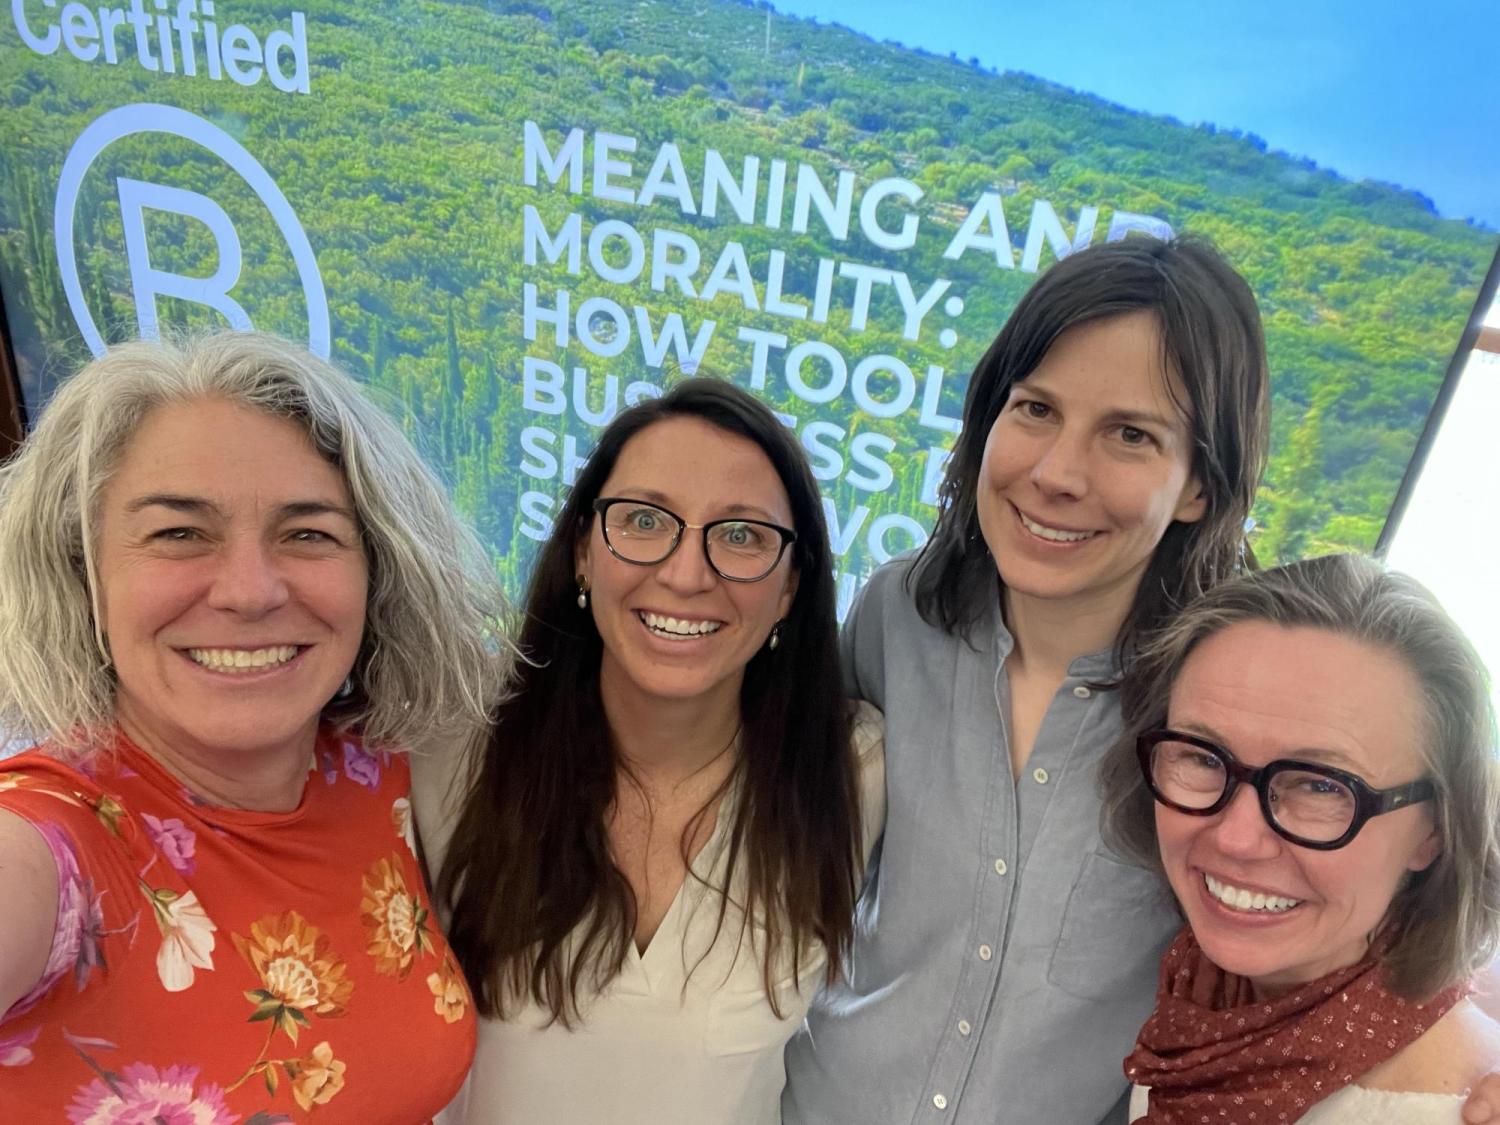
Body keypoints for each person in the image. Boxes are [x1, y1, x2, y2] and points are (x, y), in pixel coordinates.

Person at [782, 234, 1270, 1124]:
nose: (1055, 474)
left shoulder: (1233, 703)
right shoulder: (896, 614)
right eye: (1035, 409)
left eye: (1129, 434)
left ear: (1199, 482)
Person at [0, 332, 506, 1120]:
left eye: (308, 533)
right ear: (83, 571)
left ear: (378, 571)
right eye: (179, 533)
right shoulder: (48, 846)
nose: (249, 590)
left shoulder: (372, 764)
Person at [418, 378, 884, 1125]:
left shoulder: (855, 772)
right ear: (581, 552)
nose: (686, 572)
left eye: (740, 535)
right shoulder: (454, 749)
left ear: (792, 587)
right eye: (642, 519)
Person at [1105, 553, 1500, 1122]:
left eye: (1320, 787)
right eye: (1201, 755)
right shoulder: (1199, 994)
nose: (1237, 840)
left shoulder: (1449, 1109)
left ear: (1435, 830)